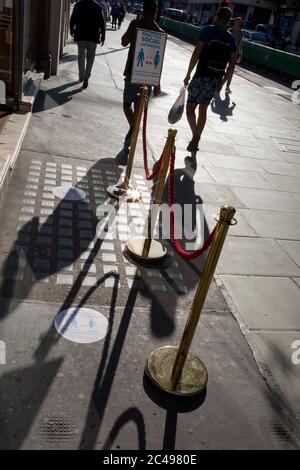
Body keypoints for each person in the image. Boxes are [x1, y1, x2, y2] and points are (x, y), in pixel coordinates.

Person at [183, 7, 236, 152]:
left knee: (189, 109)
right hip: (215, 79)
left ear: (217, 17)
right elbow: (232, 65)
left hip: (200, 76)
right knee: (203, 110)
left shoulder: (208, 31)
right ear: (227, 21)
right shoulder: (231, 39)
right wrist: (222, 83)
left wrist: (188, 74)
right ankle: (196, 138)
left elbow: (196, 53)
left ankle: (196, 137)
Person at [121, 0, 164, 148]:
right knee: (139, 110)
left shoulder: (135, 25)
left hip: (133, 73)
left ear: (143, 10)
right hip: (148, 78)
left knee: (127, 105)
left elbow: (123, 42)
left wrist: (135, 23)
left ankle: (133, 129)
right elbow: (158, 63)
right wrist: (157, 83)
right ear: (156, 11)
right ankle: (134, 129)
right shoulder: (160, 33)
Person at [70, 0, 105, 89]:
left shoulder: (78, 4)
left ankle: (81, 75)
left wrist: (71, 29)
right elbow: (102, 23)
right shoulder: (98, 7)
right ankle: (86, 76)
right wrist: (103, 36)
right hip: (93, 37)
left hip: (80, 35)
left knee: (81, 55)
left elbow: (73, 18)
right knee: (90, 57)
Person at [225, 16, 243, 93]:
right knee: (223, 68)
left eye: (240, 23)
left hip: (234, 53)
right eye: (237, 22)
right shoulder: (230, 30)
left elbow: (240, 44)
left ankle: (227, 86)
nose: (238, 24)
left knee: (231, 70)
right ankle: (219, 83)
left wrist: (241, 54)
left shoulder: (240, 32)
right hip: (227, 52)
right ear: (235, 22)